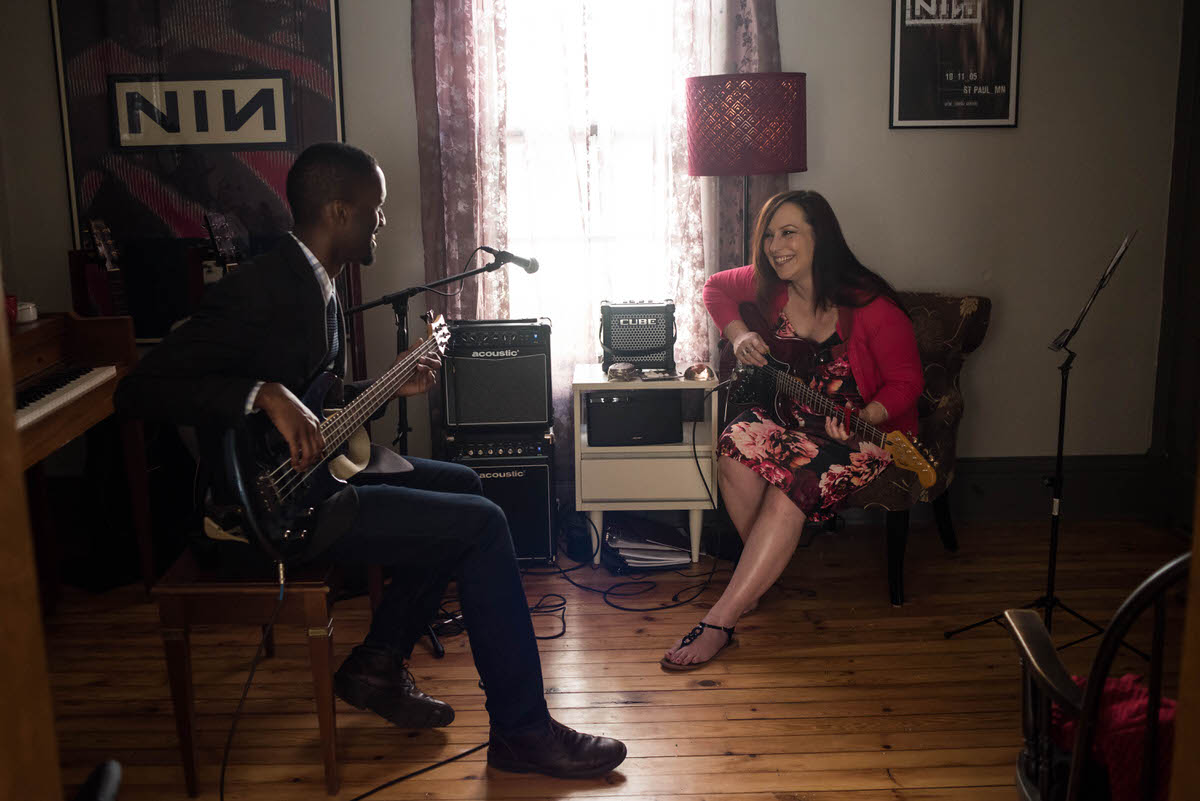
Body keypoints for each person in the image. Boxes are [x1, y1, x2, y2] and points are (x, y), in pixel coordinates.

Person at [114, 142, 626, 778]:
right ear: (338, 210)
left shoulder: (317, 285)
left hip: (308, 476)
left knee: (468, 486)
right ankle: (522, 730)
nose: (380, 221)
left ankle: (378, 661)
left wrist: (387, 387)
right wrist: (262, 394)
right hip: (274, 508)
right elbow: (138, 390)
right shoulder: (263, 288)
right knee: (482, 526)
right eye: (374, 210)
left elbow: (317, 407)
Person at [661, 190, 923, 670]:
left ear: (820, 238)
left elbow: (908, 381)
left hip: (864, 436)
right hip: (793, 419)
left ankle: (721, 619)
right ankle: (757, 579)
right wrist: (739, 335)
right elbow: (715, 288)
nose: (774, 245)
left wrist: (869, 417)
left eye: (789, 232)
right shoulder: (770, 285)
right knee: (734, 441)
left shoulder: (872, 306)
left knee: (795, 481)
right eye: (768, 234)